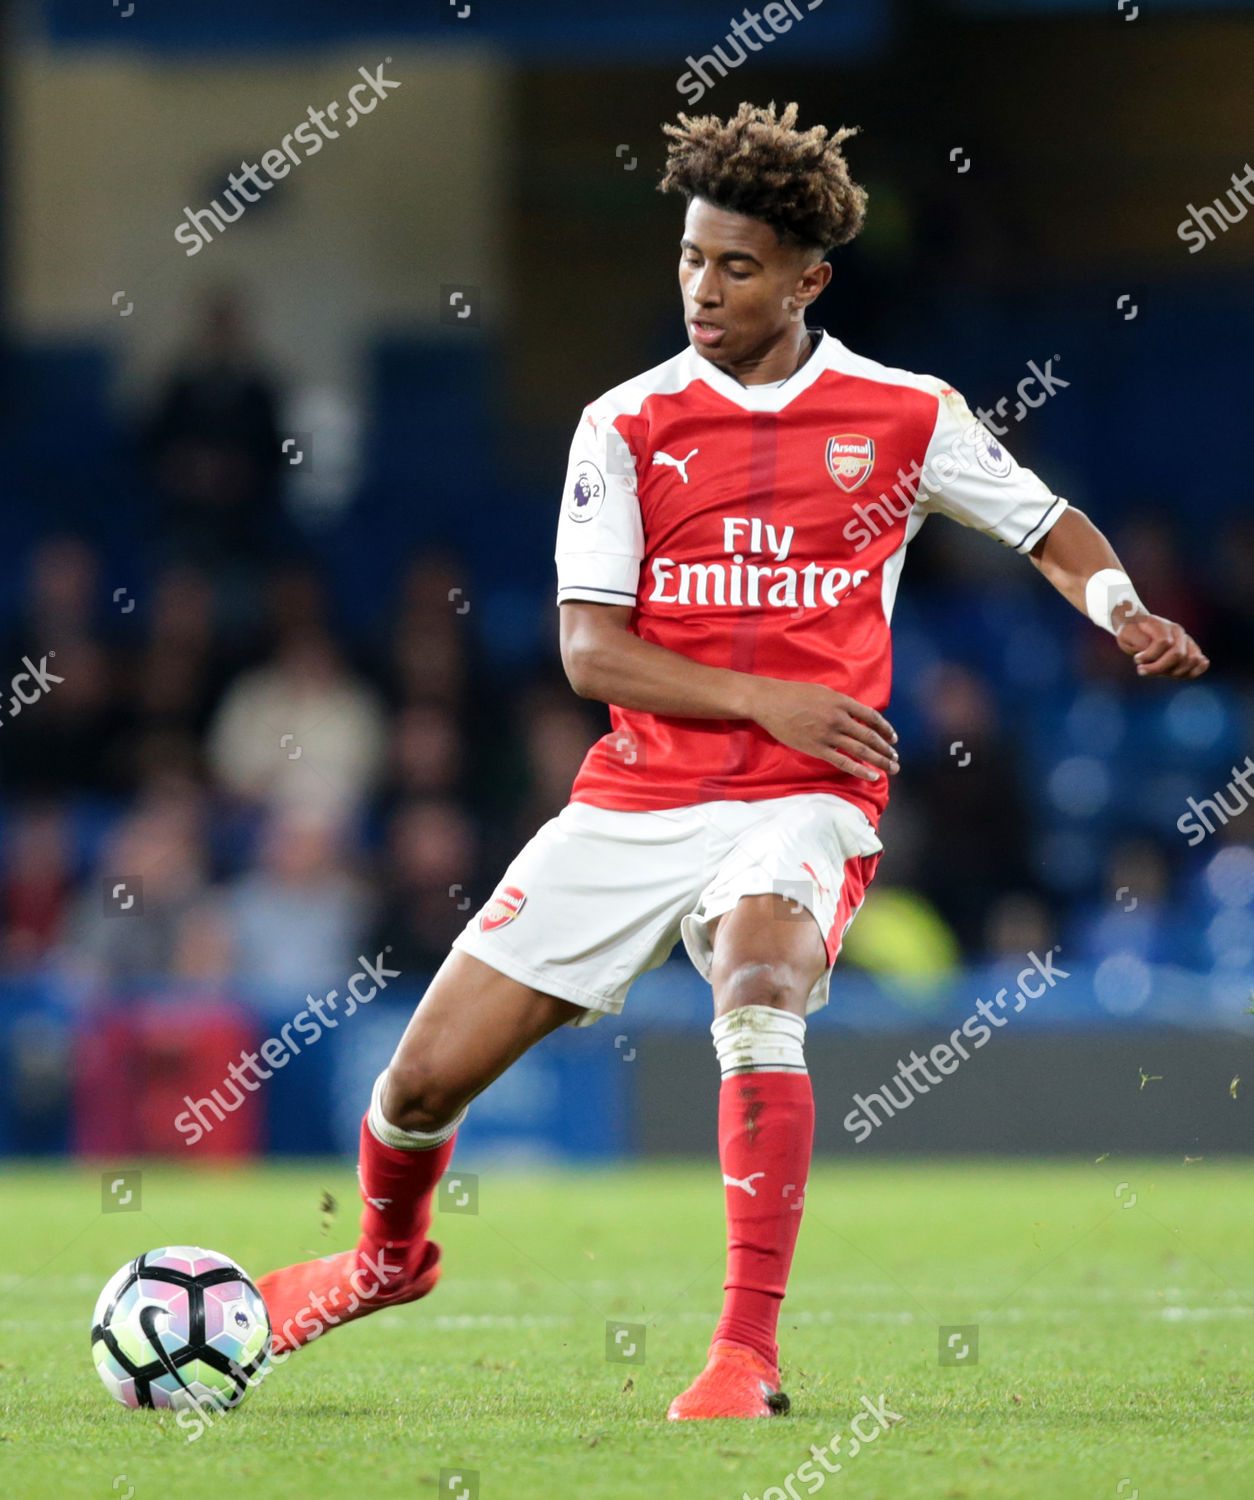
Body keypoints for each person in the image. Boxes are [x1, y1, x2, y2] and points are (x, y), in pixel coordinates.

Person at [256, 101, 1208, 1419]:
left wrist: (1122, 612)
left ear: (809, 279)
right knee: (417, 1083)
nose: (704, 289)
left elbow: (1046, 525)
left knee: (760, 982)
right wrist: (768, 698)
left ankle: (741, 1356)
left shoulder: (901, 414)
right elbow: (589, 654)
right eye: (693, 258)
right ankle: (381, 1258)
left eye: (737, 265)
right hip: (641, 792)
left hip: (807, 798)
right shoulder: (627, 423)